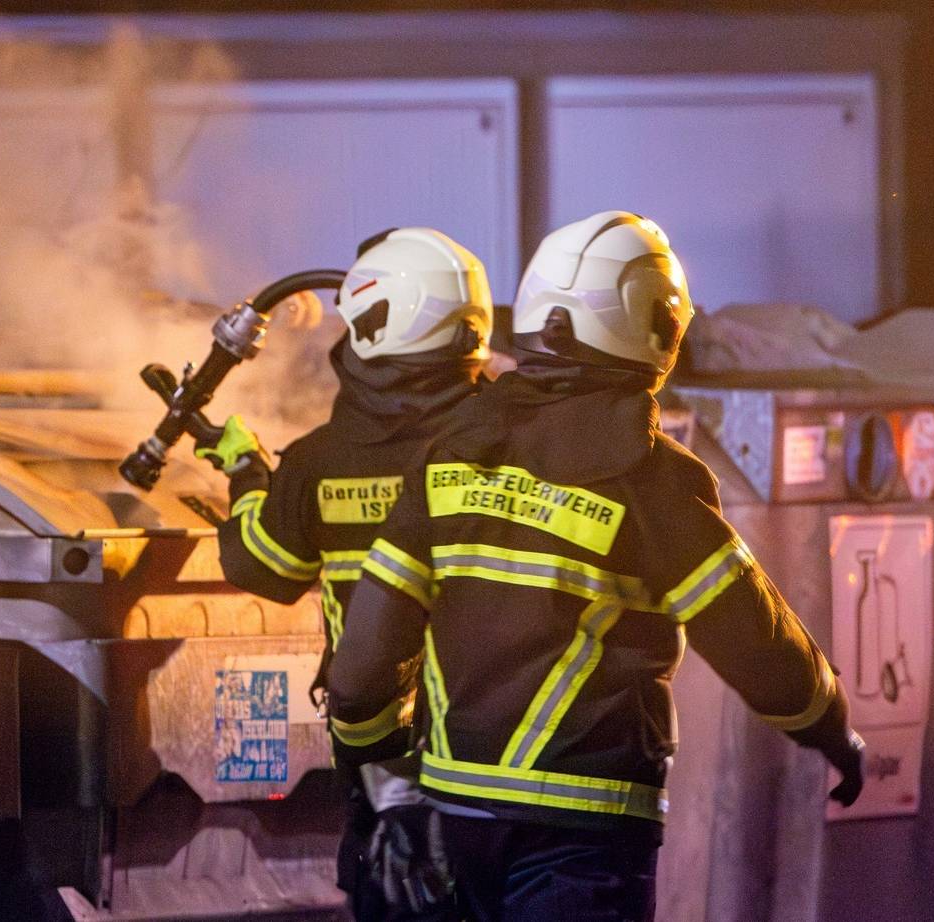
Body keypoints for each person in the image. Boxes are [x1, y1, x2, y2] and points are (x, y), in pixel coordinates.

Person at [324, 211, 866, 921]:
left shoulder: (448, 455)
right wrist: (830, 726)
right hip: (586, 832)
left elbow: (363, 667)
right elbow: (755, 641)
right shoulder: (653, 479)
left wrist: (381, 786)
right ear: (655, 328)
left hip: (450, 823)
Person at [195, 226, 495, 918]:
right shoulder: (505, 440)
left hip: (380, 753)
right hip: (501, 755)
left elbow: (263, 565)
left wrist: (246, 474)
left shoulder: (319, 461)